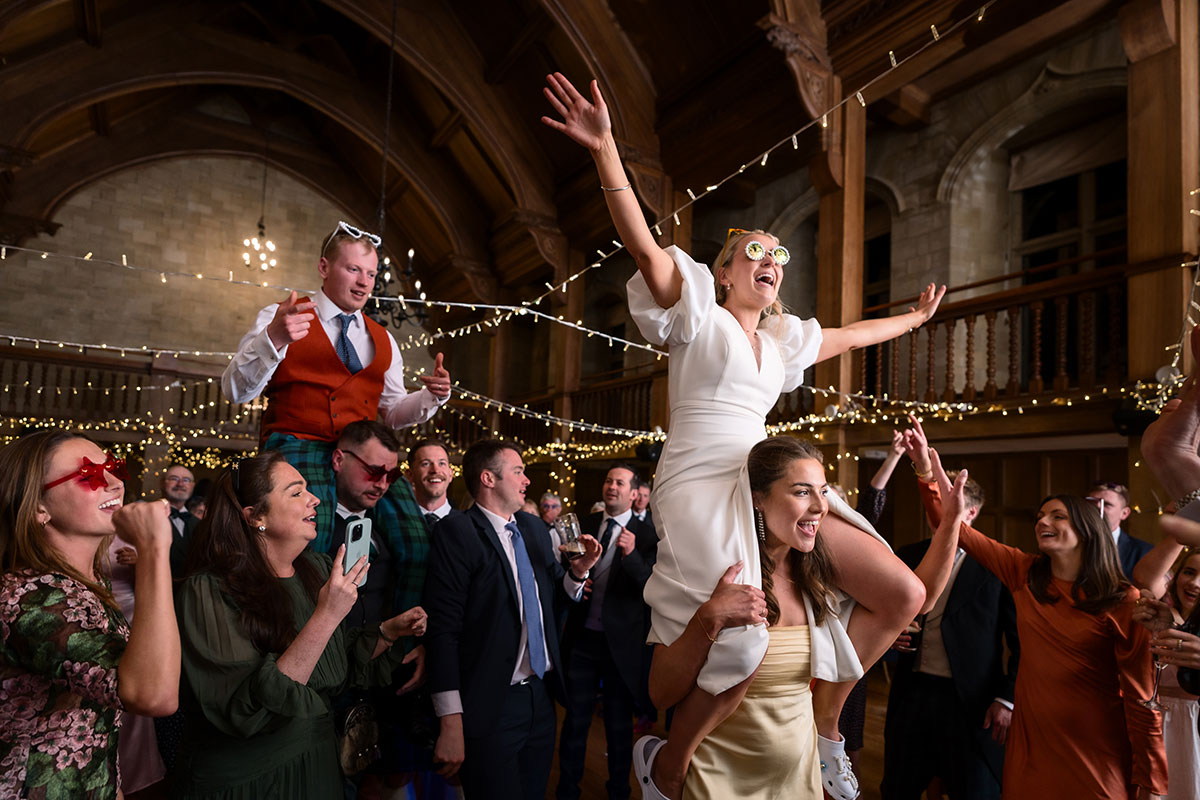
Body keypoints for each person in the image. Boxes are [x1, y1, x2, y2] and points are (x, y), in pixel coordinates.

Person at [542, 71, 942, 800]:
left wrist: (912, 321)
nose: (769, 262)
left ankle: (827, 730)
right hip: (698, 478)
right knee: (746, 639)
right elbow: (640, 245)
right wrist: (605, 152)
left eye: (777, 258)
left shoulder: (784, 342)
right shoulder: (697, 313)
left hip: (764, 476)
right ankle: (666, 762)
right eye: (753, 251)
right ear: (723, 272)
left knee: (902, 590)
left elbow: (850, 334)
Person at [649, 436, 969, 799]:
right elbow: (660, 693)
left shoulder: (821, 582)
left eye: (824, 492)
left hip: (798, 776)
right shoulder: (714, 573)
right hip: (716, 776)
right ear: (757, 496)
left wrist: (951, 521)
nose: (820, 507)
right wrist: (707, 619)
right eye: (802, 492)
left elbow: (917, 598)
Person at [906, 425, 1168, 800]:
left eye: (1058, 516)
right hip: (1032, 739)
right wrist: (926, 473)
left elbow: (1143, 700)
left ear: (1087, 528)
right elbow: (957, 529)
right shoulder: (1024, 573)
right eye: (1041, 516)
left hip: (1094, 744)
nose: (1043, 522)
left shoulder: (1122, 600)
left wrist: (1153, 783)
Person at [172, 450, 426, 799]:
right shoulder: (208, 590)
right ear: (254, 516)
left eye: (308, 489)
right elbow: (245, 712)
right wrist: (327, 614)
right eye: (295, 492)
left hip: (318, 765)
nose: (315, 499)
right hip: (251, 778)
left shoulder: (317, 569)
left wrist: (387, 632)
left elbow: (331, 666)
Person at [220, 221, 451, 600]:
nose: (364, 282)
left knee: (415, 539)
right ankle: (299, 632)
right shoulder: (282, 316)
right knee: (314, 538)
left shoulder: (383, 338)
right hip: (298, 443)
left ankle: (397, 640)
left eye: (372, 273)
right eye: (353, 269)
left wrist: (431, 398)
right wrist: (275, 338)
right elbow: (234, 390)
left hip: (363, 455)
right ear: (324, 267)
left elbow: (391, 411)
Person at [0, 430, 180, 800]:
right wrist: (153, 550)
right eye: (89, 474)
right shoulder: (30, 596)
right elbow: (154, 696)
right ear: (39, 507)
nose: (114, 482)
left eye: (111, 467)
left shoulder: (86, 582)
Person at [423, 439, 602, 800]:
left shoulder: (535, 530)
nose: (526, 481)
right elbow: (443, 630)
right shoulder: (457, 532)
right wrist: (450, 718)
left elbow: (553, 598)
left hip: (540, 696)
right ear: (488, 478)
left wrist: (578, 573)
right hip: (490, 700)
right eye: (518, 471)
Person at [881, 442, 1019, 800]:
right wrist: (887, 634)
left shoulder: (996, 567)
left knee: (971, 789)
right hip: (911, 691)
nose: (934, 511)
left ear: (969, 514)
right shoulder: (907, 555)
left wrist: (1007, 699)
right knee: (898, 787)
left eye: (944, 504)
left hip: (970, 700)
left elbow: (1020, 641)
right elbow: (882, 612)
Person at [556, 464, 657, 800]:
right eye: (608, 480)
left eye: (620, 482)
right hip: (583, 639)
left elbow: (650, 588)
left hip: (621, 647)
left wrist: (629, 555)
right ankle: (566, 790)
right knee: (575, 722)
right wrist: (573, 575)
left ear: (633, 493)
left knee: (617, 726)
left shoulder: (647, 536)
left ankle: (618, 791)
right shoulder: (583, 527)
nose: (611, 486)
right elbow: (563, 576)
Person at [1132, 547, 1200, 800]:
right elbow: (1145, 577)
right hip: (1159, 725)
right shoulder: (1163, 614)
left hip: (1195, 728)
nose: (1194, 583)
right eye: (1189, 572)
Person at [104, 534, 167, 795]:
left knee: (136, 702)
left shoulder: (131, 533)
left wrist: (142, 563)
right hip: (101, 611)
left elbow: (162, 698)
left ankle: (139, 773)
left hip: (132, 613)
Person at [1086, 481, 1153, 579]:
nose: (1097, 507)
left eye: (1107, 504)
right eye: (1093, 502)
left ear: (1124, 513)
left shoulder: (1143, 552)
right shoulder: (1070, 544)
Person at [409, 439, 455, 526]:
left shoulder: (468, 526)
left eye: (441, 463)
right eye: (425, 464)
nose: (435, 470)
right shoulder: (396, 523)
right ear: (410, 475)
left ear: (450, 474)